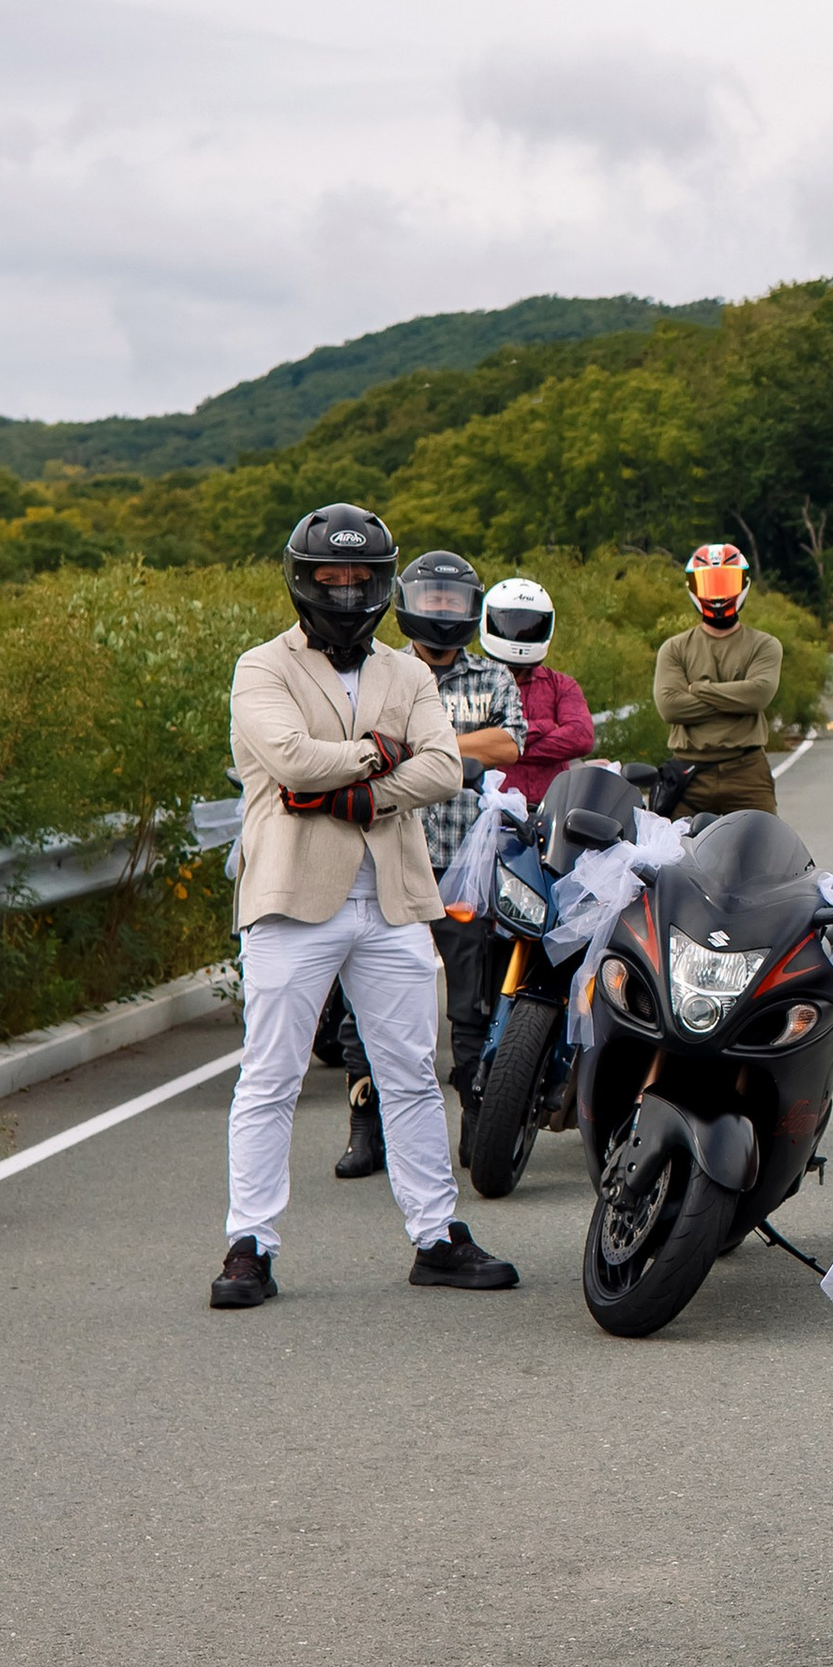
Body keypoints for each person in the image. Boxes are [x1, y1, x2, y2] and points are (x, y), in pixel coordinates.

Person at [211, 503, 517, 1306]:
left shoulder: (407, 673)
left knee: (411, 1075)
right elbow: (288, 759)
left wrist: (353, 795)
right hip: (290, 897)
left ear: (382, 584)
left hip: (391, 898)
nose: (346, 591)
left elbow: (444, 769)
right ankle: (249, 1245)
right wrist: (381, 754)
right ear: (302, 580)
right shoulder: (261, 667)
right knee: (270, 1077)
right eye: (330, 577)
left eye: (360, 578)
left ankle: (436, 1236)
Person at [394, 549, 525, 1148]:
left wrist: (428, 743)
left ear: (471, 609)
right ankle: (367, 1127)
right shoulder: (384, 670)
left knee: (470, 1003)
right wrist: (465, 745)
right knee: (382, 1000)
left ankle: (476, 1121)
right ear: (408, 604)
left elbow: (510, 744)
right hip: (396, 857)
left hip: (466, 862)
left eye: (453, 601)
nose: (442, 610)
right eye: (432, 599)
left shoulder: (493, 676)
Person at [652, 541, 782, 815]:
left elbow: (757, 696)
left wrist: (697, 689)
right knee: (671, 842)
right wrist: (735, 700)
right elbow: (670, 707)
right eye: (709, 585)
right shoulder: (675, 648)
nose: (718, 595)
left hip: (746, 770)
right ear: (693, 588)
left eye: (726, 583)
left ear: (743, 584)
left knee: (765, 840)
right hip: (688, 774)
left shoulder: (764, 644)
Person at [481, 575, 597, 812]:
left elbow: (581, 737)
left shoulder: (560, 684)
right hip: (489, 809)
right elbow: (465, 740)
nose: (520, 633)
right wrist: (544, 726)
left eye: (530, 626)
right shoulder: (473, 682)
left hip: (551, 810)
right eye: (511, 623)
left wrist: (503, 748)